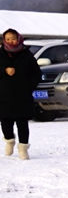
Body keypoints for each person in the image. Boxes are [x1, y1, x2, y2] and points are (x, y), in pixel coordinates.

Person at [1, 28, 40, 160]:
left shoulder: (26, 54)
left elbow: (36, 73)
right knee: (5, 121)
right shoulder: (0, 54)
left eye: (13, 38)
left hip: (23, 95)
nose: (10, 41)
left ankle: (23, 149)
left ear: (18, 39)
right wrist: (4, 71)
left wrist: (29, 86)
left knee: (22, 123)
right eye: (7, 39)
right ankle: (9, 140)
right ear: (4, 40)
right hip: (4, 95)